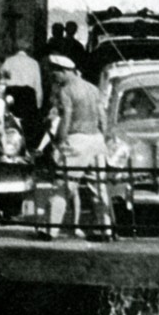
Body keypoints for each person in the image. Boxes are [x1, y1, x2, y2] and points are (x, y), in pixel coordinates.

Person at [41, 52, 109, 237]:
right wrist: (103, 139)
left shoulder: (67, 90)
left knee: (62, 186)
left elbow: (66, 119)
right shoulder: (93, 89)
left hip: (77, 140)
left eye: (54, 73)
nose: (52, 77)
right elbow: (103, 118)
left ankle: (50, 230)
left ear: (63, 71)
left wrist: (59, 143)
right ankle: (105, 229)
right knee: (99, 187)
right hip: (96, 139)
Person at [0, 33, 44, 144]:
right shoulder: (34, 63)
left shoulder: (8, 61)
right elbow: (37, 84)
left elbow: (2, 81)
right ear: (28, 48)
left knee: (11, 122)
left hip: (12, 95)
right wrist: (38, 105)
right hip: (27, 96)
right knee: (27, 125)